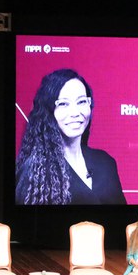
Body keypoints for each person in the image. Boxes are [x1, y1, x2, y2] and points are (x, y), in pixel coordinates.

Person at [15, 68, 126, 205]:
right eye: (63, 104)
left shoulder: (106, 162)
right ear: (48, 112)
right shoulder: (34, 172)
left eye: (81, 102)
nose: (75, 112)